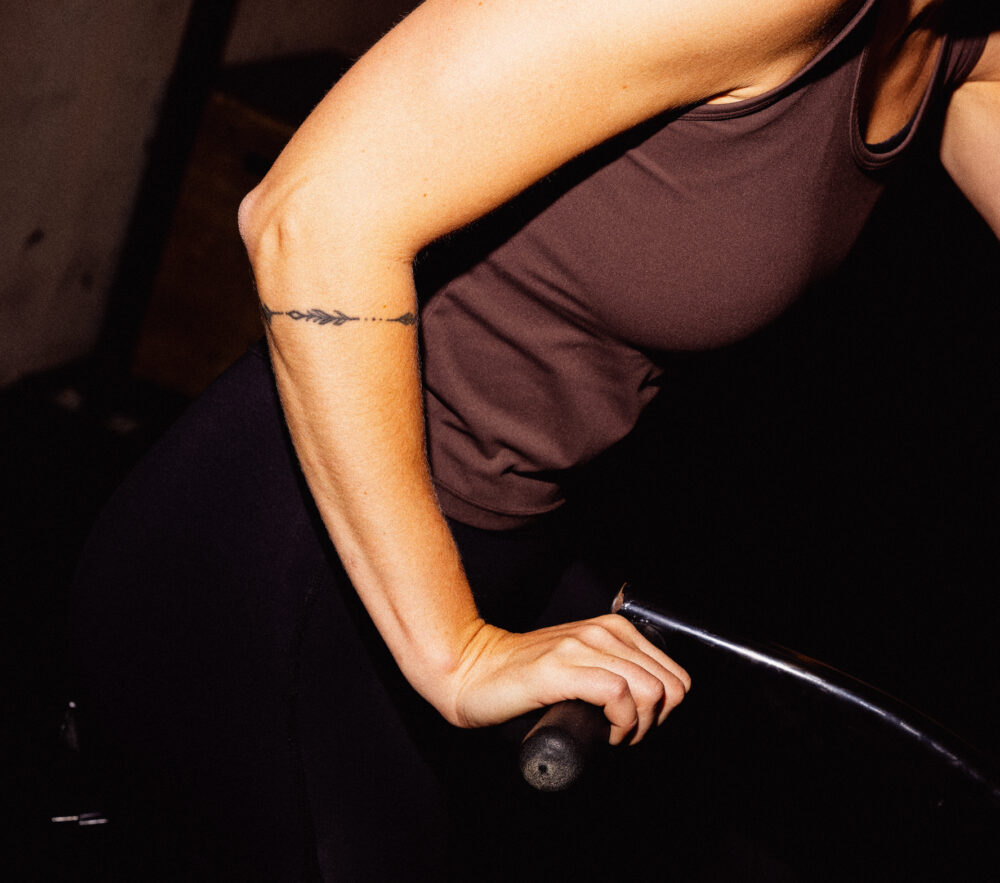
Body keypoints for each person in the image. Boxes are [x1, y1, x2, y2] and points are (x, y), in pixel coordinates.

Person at [73, 0, 999, 878]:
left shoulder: (952, 39)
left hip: (511, 546)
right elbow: (311, 215)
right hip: (301, 562)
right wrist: (457, 651)